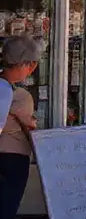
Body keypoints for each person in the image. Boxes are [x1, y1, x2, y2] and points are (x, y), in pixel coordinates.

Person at [0, 36, 41, 219]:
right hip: (11, 159)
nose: (32, 69)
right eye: (31, 65)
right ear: (23, 64)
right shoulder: (6, 90)